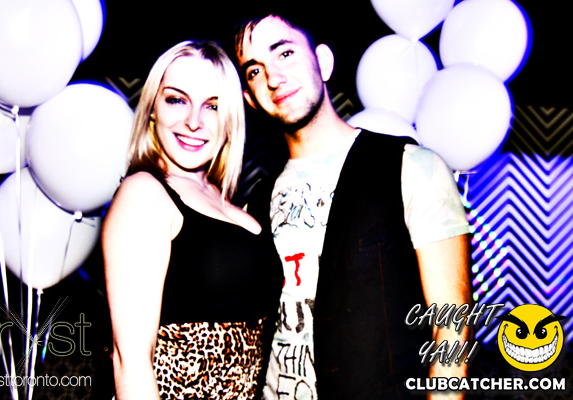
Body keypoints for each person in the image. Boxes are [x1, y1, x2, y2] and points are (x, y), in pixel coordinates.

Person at [234, 13, 473, 400]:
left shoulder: (411, 166)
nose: (273, 78)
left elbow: (451, 328)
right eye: (254, 71)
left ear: (323, 62)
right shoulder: (256, 200)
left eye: (285, 53)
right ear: (250, 98)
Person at [103, 40, 283, 400]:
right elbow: (130, 362)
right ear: (152, 109)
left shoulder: (228, 200)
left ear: (230, 119)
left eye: (212, 106)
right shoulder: (144, 193)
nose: (194, 122)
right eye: (176, 100)